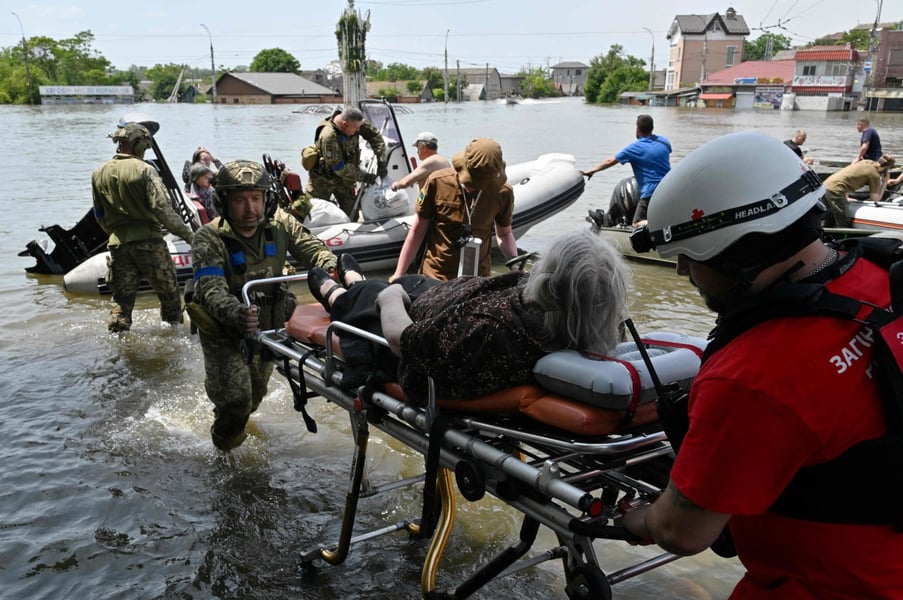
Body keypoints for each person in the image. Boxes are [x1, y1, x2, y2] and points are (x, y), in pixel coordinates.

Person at [622, 131, 903, 597]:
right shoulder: (885, 273)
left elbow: (681, 532)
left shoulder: (754, 375)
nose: (682, 272)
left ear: (739, 250)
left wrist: (638, 518)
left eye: (691, 257)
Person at [307, 232, 630, 401]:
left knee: (370, 297)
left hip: (414, 317)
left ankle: (340, 293)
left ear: (546, 279)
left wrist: (389, 297)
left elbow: (402, 341)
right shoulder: (599, 328)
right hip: (443, 298)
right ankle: (356, 284)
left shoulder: (491, 330)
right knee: (406, 285)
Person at [189, 160, 338, 451]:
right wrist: (237, 313)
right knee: (235, 401)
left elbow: (314, 251)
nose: (250, 209)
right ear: (223, 201)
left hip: (269, 323)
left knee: (256, 395)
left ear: (266, 200)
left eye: (256, 198)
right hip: (225, 330)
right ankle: (224, 449)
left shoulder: (281, 224)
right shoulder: (208, 237)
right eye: (240, 200)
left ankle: (238, 426)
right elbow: (210, 289)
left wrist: (334, 270)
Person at [91, 121, 195, 333]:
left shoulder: (98, 173)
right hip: (150, 245)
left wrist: (116, 235)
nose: (146, 150)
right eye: (145, 146)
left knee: (121, 305)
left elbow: (99, 215)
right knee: (171, 300)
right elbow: (164, 211)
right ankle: (172, 343)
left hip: (119, 247)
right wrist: (191, 237)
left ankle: (119, 348)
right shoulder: (145, 170)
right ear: (136, 143)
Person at [389, 138, 518, 282]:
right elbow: (417, 231)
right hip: (435, 276)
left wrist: (515, 263)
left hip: (477, 280)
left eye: (481, 183)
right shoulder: (437, 182)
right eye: (472, 180)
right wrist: (398, 274)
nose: (474, 186)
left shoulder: (502, 192)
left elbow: (505, 234)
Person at [581, 114, 671, 226]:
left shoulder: (635, 148)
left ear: (637, 129)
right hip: (669, 187)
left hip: (651, 191)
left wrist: (591, 170)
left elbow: (610, 161)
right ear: (652, 127)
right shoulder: (664, 142)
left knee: (636, 223)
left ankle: (660, 223)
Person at [305, 106, 387, 220]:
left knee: (352, 215)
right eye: (355, 129)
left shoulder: (354, 121)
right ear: (344, 124)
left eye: (359, 127)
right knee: (312, 213)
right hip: (323, 180)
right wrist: (364, 177)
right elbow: (340, 168)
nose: (358, 131)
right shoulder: (328, 136)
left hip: (345, 181)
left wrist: (382, 161)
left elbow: (375, 136)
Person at [822, 155, 895, 228]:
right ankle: (839, 237)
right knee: (844, 221)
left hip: (826, 185)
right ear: (886, 168)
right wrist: (885, 182)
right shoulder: (874, 175)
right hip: (836, 190)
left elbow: (850, 175)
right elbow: (875, 199)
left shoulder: (867, 162)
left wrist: (846, 196)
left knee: (828, 216)